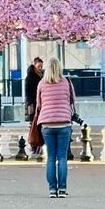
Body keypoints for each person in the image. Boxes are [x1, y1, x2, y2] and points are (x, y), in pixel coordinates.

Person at [34, 56, 75, 199]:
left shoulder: (41, 84)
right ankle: (62, 189)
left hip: (47, 124)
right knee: (62, 157)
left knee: (51, 157)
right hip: (64, 123)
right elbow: (72, 100)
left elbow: (38, 105)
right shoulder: (66, 82)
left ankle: (52, 189)